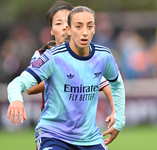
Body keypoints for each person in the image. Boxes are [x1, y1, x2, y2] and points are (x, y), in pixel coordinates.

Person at [7, 5, 125, 150]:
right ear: (69, 29)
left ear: (94, 29)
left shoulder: (103, 56)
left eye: (89, 26)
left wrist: (118, 118)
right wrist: (16, 99)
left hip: (90, 138)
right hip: (54, 136)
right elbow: (17, 84)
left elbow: (116, 84)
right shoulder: (50, 57)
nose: (85, 32)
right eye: (78, 26)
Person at [27, 1, 115, 128]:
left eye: (68, 22)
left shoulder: (87, 55)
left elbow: (105, 83)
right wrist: (58, 76)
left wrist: (116, 109)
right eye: (58, 23)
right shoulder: (42, 55)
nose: (64, 27)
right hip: (53, 131)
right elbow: (30, 88)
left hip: (82, 131)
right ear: (51, 30)